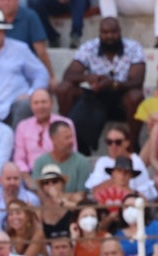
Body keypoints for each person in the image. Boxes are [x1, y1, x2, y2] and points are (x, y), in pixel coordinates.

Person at [56, 18, 145, 155]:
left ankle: (132, 144)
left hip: (121, 97)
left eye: (113, 32)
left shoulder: (133, 48)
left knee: (136, 95)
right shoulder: (89, 47)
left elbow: (137, 81)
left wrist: (113, 84)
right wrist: (88, 77)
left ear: (120, 32)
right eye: (105, 32)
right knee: (64, 88)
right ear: (99, 33)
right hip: (95, 97)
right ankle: (73, 141)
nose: (109, 36)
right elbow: (69, 75)